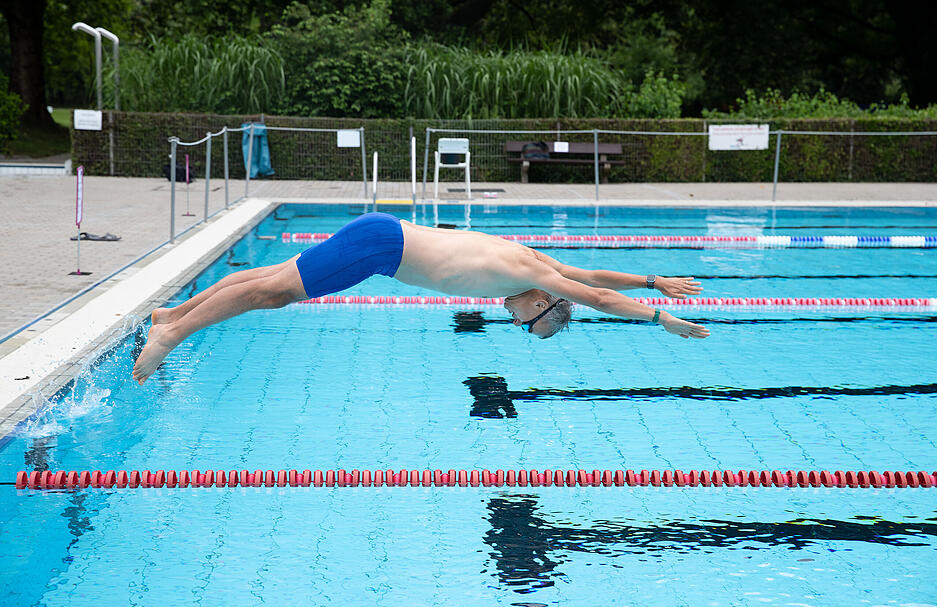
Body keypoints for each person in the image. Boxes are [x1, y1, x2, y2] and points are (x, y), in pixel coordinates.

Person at [132, 212, 709, 384]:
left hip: (383, 234)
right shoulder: (524, 279)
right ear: (544, 306)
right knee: (274, 293)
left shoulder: (533, 263)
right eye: (527, 324)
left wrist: (655, 279)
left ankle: (173, 312)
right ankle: (172, 334)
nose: (513, 320)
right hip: (381, 249)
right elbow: (595, 296)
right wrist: (661, 317)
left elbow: (592, 272)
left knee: (276, 278)